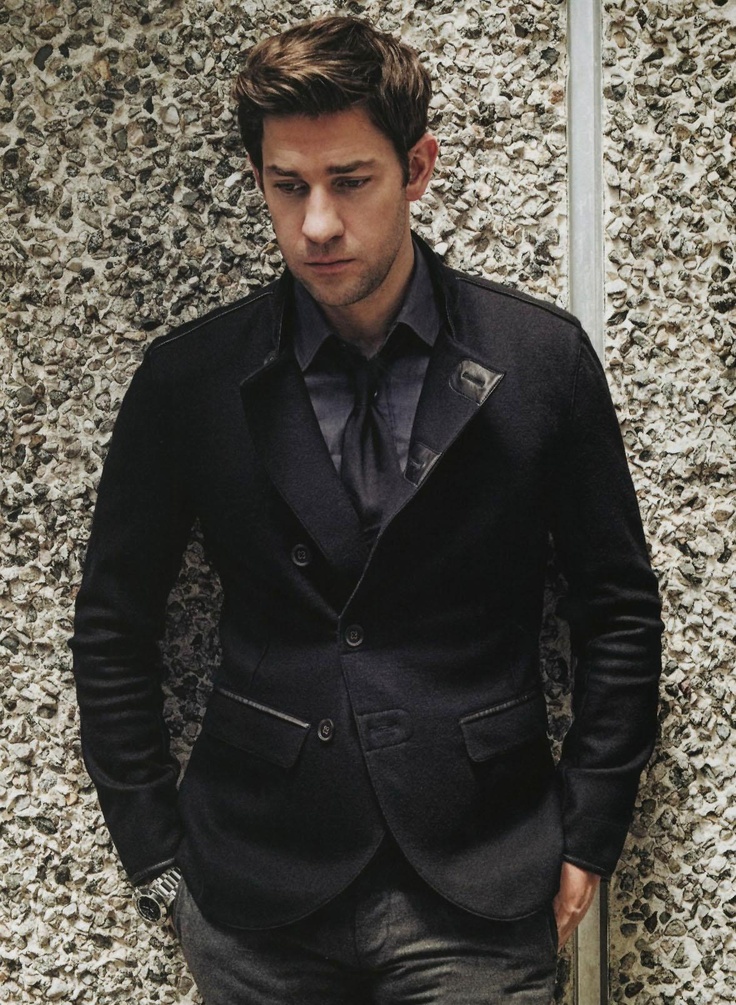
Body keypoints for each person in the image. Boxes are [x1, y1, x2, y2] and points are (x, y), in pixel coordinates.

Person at [70, 15, 663, 1005]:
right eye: (285, 186)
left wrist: (590, 827)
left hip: (479, 879)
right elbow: (111, 621)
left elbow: (618, 610)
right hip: (255, 891)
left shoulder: (539, 360)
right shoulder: (191, 379)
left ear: (416, 166)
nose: (315, 225)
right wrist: (156, 853)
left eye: (349, 181)